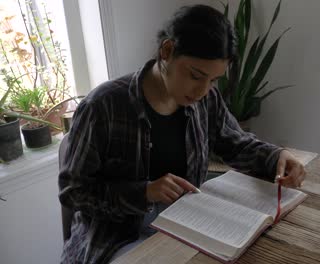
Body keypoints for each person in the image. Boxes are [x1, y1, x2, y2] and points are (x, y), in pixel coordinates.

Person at [58, 4, 305, 263]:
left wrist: (277, 156)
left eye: (213, 80)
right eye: (195, 75)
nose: (203, 90)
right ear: (166, 51)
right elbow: (73, 191)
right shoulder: (103, 106)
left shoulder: (205, 100)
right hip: (116, 238)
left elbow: (235, 143)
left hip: (184, 224)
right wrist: (144, 192)